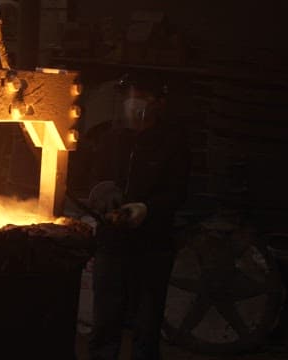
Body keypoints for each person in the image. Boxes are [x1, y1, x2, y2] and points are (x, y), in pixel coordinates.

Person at [88, 73, 191, 360]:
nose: (135, 102)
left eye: (144, 96)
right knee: (105, 321)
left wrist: (147, 209)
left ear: (159, 103)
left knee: (147, 323)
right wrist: (102, 196)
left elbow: (178, 193)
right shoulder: (110, 139)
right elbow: (95, 179)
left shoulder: (173, 143)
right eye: (132, 94)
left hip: (153, 245)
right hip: (112, 242)